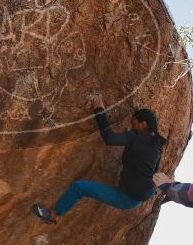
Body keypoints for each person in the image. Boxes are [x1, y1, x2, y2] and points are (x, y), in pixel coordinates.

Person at [32, 95, 165, 224]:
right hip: (141, 194)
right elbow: (154, 169)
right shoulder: (157, 143)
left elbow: (110, 138)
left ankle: (53, 215)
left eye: (134, 124)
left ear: (143, 125)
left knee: (79, 187)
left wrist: (99, 110)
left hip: (127, 197)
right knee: (82, 187)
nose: (132, 127)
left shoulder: (136, 136)